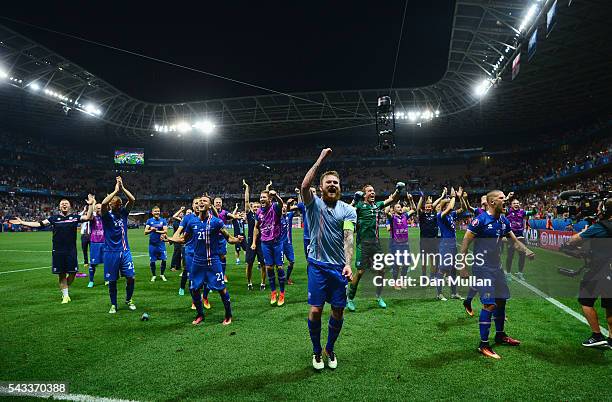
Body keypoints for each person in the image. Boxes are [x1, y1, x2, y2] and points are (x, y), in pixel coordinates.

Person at [459, 190, 535, 359]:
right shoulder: (480, 220)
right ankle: (483, 344)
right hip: (482, 268)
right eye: (502, 198)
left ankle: (500, 335)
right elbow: (465, 241)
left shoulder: (503, 220)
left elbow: (515, 242)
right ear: (492, 202)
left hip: (497, 268)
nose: (505, 201)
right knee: (489, 305)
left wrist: (527, 250)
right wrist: (462, 265)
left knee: (501, 301)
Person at [301, 148, 356, 370]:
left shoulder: (348, 210)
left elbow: (348, 238)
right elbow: (304, 186)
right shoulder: (313, 204)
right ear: (321, 187)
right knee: (315, 310)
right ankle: (316, 351)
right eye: (328, 182)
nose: (332, 185)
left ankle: (329, 348)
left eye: (335, 182)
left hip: (338, 269)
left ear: (340, 187)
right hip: (317, 266)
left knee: (338, 310)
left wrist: (348, 264)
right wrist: (321, 159)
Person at [168, 196, 244, 326]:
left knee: (221, 289)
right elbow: (184, 239)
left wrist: (237, 240)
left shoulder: (216, 222)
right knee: (194, 288)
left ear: (209, 206)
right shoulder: (192, 222)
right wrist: (169, 238)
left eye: (205, 201)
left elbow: (229, 238)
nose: (201, 202)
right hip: (197, 262)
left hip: (213, 262)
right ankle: (200, 314)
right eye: (200, 201)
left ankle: (228, 315)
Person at [10, 195, 94, 303]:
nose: (64, 205)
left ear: (70, 207)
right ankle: (65, 296)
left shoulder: (74, 217)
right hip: (58, 251)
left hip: (71, 251)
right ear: (59, 207)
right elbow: (39, 224)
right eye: (62, 204)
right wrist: (23, 222)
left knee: (73, 273)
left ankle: (65, 289)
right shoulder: (53, 219)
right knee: (62, 274)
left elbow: (88, 217)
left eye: (66, 203)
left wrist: (91, 205)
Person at [346, 183, 400, 311]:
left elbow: (392, 199)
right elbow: (347, 211)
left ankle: (378, 296)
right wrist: (354, 201)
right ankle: (350, 298)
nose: (373, 193)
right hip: (362, 244)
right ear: (364, 195)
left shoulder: (377, 206)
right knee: (360, 272)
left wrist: (398, 190)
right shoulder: (359, 206)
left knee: (381, 271)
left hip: (375, 244)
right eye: (370, 191)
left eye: (373, 191)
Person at [566, 198, 612, 349]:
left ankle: (597, 335)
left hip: (598, 270)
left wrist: (585, 230)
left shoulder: (599, 227)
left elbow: (573, 241)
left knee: (585, 301)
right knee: (610, 305)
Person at [100, 176, 137, 314]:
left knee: (131, 277)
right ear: (111, 205)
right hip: (110, 252)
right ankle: (114, 304)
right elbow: (103, 204)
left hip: (125, 251)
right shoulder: (106, 216)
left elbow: (132, 200)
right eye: (117, 205)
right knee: (112, 280)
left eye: (120, 205)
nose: (119, 206)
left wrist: (122, 188)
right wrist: (115, 191)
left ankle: (128, 299)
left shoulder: (123, 213)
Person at [252, 188, 286, 306]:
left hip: (277, 242)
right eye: (260, 197)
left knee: (280, 267)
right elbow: (256, 227)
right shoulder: (258, 212)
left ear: (269, 199)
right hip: (265, 243)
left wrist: (276, 195)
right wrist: (254, 242)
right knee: (269, 268)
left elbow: (281, 204)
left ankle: (282, 293)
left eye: (264, 197)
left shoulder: (275, 207)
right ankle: (273, 292)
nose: (262, 199)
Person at [435, 187, 465, 301]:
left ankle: (453, 293)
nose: (450, 205)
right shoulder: (440, 215)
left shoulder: (451, 215)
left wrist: (461, 197)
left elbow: (463, 208)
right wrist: (453, 196)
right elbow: (452, 206)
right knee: (442, 269)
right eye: (447, 204)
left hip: (452, 245)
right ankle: (439, 293)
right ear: (444, 206)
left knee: (453, 269)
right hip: (445, 245)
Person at [385, 194, 416, 289]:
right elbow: (386, 212)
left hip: (405, 244)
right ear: (394, 210)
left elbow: (414, 209)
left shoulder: (405, 216)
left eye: (400, 207)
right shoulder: (392, 218)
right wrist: (389, 201)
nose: (400, 208)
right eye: (398, 207)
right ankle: (395, 283)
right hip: (396, 245)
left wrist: (411, 200)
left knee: (406, 264)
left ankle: (402, 281)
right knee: (397, 265)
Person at [505, 198, 535, 281]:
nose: (516, 204)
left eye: (517, 203)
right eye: (514, 203)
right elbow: (499, 209)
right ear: (511, 205)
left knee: (522, 256)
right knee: (510, 256)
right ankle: (508, 274)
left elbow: (533, 213)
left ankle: (520, 273)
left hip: (520, 237)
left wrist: (534, 208)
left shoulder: (522, 212)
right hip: (510, 237)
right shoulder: (507, 211)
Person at [243, 180, 266, 291]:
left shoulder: (263, 214)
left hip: (262, 241)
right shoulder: (250, 214)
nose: (256, 208)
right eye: (254, 206)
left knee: (263, 264)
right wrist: (247, 187)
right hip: (251, 241)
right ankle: (249, 283)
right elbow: (246, 200)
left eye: (258, 206)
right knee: (249, 264)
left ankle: (263, 283)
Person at [417, 190, 445, 278]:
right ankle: (424, 276)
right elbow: (418, 208)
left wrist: (441, 196)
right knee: (424, 261)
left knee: (433, 260)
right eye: (426, 207)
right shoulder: (422, 215)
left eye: (429, 207)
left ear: (431, 208)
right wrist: (422, 198)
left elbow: (435, 204)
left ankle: (432, 276)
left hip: (434, 240)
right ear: (424, 208)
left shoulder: (435, 214)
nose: (428, 208)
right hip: (424, 241)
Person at [144, 206, 168, 282]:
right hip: (152, 244)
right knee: (152, 261)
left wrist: (155, 230)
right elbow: (145, 232)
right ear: (152, 212)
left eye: (158, 211)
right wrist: (151, 230)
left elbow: (165, 231)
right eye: (155, 211)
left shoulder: (163, 220)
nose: (157, 212)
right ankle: (154, 275)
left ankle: (162, 274)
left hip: (161, 244)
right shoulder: (149, 221)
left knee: (164, 259)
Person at [87, 203, 105, 288]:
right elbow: (89, 216)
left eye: (100, 208)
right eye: (97, 208)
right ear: (95, 209)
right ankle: (91, 281)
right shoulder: (93, 218)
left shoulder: (106, 218)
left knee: (108, 262)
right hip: (95, 243)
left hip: (105, 243)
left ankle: (107, 279)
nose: (99, 209)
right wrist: (91, 205)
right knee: (93, 264)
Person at [281, 201, 296, 285]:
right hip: (279, 243)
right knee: (281, 263)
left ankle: (287, 277)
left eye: (285, 206)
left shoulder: (289, 215)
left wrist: (298, 194)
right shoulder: (277, 217)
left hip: (288, 243)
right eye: (282, 206)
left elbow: (299, 206)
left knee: (292, 262)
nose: (283, 208)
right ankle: (282, 279)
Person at [169, 207, 185, 272]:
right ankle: (173, 266)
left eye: (182, 213)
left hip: (181, 238)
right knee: (176, 252)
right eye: (180, 213)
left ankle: (178, 266)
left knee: (179, 252)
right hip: (176, 238)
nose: (181, 214)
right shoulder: (176, 222)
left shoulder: (183, 221)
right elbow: (174, 216)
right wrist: (180, 209)